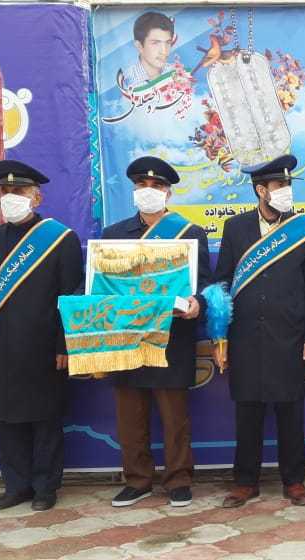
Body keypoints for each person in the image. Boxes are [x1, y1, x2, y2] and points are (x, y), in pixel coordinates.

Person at [214, 154, 305, 508]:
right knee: (247, 413)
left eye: (288, 185)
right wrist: (220, 336)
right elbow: (222, 284)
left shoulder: (303, 229)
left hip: (290, 338)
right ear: (261, 190)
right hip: (245, 338)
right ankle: (245, 482)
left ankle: (294, 481)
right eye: (279, 185)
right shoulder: (235, 228)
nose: (286, 191)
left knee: (291, 413)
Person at [101, 156, 209, 508]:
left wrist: (197, 303)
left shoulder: (190, 233)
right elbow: (103, 287)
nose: (148, 191)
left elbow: (205, 285)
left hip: (171, 338)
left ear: (168, 193)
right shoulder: (113, 235)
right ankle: (137, 480)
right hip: (127, 338)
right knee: (130, 417)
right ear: (134, 190)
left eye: (157, 186)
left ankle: (178, 479)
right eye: (142, 185)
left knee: (174, 417)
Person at [0, 161, 83, 511]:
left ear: (36, 198)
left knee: (45, 419)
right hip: (2, 346)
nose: (10, 196)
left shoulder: (61, 239)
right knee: (6, 419)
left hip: (43, 346)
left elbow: (71, 296)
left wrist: (64, 344)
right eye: (5, 191)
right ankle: (16, 486)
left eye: (19, 191)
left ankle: (45, 487)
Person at [125, 12, 176, 86]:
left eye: (168, 42)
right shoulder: (127, 81)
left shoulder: (176, 73)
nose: (164, 51)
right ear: (139, 46)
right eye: (155, 43)